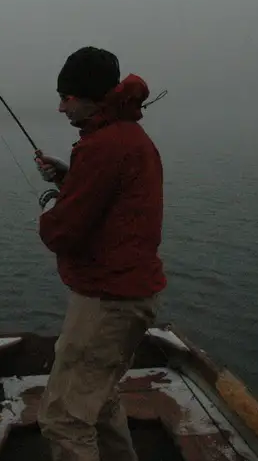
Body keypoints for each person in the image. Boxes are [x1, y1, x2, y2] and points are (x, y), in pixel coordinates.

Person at [33, 45, 166, 461]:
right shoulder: (127, 136)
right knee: (101, 399)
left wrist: (52, 209)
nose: (60, 108)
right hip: (133, 294)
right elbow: (112, 198)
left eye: (65, 98)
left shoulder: (101, 147)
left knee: (64, 419)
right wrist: (72, 178)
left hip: (108, 301)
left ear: (87, 96)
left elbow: (63, 232)